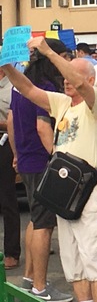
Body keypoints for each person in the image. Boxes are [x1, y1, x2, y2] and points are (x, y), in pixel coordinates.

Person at [1, 36, 97, 302]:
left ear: (88, 80)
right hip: (63, 189)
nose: (67, 78)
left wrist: (49, 52)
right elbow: (27, 89)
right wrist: (7, 66)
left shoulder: (96, 103)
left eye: (74, 72)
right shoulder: (62, 103)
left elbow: (76, 81)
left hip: (90, 190)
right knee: (74, 263)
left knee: (96, 263)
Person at [7, 39, 73, 302]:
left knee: (35, 220)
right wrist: (60, 159)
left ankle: (28, 279)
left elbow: (12, 121)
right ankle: (40, 287)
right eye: (64, 57)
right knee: (44, 224)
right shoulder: (44, 89)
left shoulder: (19, 87)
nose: (65, 62)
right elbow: (43, 127)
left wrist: (15, 154)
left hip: (25, 159)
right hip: (43, 162)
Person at [0, 69, 21, 271]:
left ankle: (12, 252)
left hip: (5, 143)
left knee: (7, 200)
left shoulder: (12, 88)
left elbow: (17, 121)